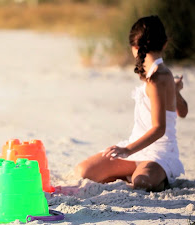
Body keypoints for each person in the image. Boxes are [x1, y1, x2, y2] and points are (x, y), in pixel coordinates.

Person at [75, 16, 188, 192]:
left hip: (159, 153)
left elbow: (160, 128)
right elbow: (183, 112)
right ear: (165, 44)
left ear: (134, 47)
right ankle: (133, 172)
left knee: (142, 183)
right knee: (83, 172)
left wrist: (127, 150)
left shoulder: (159, 77)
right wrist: (176, 91)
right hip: (137, 145)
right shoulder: (159, 74)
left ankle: (149, 174)